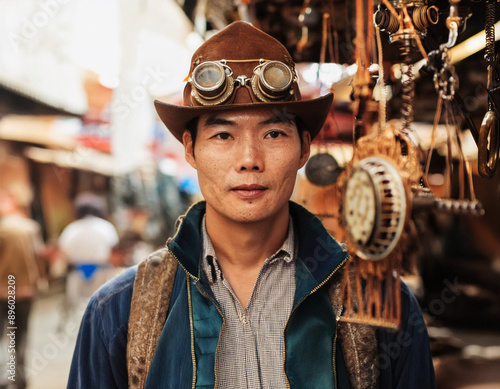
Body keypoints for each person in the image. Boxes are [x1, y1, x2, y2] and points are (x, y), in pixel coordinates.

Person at [68, 22, 436, 389]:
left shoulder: (379, 304)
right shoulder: (120, 313)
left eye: (273, 133)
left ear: (304, 148)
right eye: (223, 135)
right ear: (190, 149)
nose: (249, 159)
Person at [0, 185, 47, 389]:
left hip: (3, 291)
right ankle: (19, 378)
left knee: (3, 335)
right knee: (20, 336)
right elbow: (40, 257)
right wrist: (41, 280)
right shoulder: (31, 228)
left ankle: (4, 377)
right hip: (25, 291)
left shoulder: (2, 229)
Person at [58, 193, 119, 315]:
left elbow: (63, 253)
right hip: (102, 272)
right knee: (102, 306)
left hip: (77, 273)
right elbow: (114, 251)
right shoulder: (106, 227)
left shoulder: (71, 229)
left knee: (78, 310)